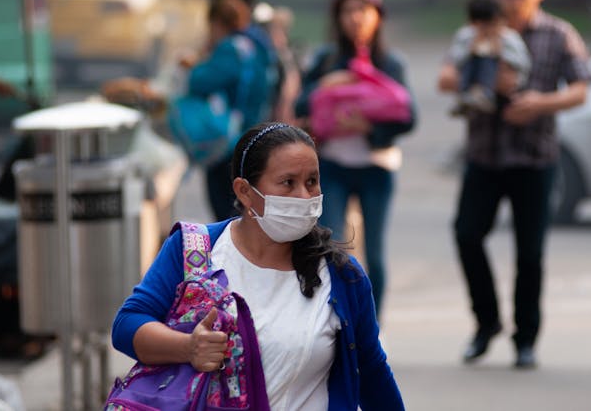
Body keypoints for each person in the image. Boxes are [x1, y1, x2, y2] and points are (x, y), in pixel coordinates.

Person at [111, 122, 405, 410]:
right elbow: (127, 325)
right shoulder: (194, 251)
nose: (304, 196)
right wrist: (188, 347)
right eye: (288, 183)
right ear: (244, 191)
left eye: (312, 181)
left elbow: (371, 371)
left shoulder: (342, 276)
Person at [438, 0, 589, 368]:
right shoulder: (475, 30)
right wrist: (479, 76)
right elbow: (446, 77)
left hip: (534, 159)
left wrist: (540, 102)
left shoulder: (559, 34)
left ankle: (526, 339)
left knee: (530, 254)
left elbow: (581, 89)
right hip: (484, 155)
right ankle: (486, 324)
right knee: (467, 235)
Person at [294, 0, 416, 318]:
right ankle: (337, 318)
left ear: (378, 16)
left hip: (377, 166)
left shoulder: (391, 63)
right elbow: (300, 103)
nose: (356, 18)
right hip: (333, 165)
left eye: (364, 10)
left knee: (374, 253)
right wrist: (326, 84)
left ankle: (372, 326)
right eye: (348, 11)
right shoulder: (325, 59)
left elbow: (409, 118)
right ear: (338, 18)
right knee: (331, 246)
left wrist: (368, 127)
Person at [179, 0, 263, 221]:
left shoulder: (230, 48)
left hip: (227, 141)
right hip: (247, 134)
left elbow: (200, 82)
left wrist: (197, 63)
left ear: (217, 23)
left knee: (225, 212)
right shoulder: (253, 46)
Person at [444, 0, 531, 116]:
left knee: (488, 61)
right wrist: (470, 50)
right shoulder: (466, 36)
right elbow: (454, 61)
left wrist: (500, 54)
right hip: (470, 75)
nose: (486, 30)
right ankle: (465, 97)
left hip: (499, 86)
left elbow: (522, 62)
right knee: (470, 62)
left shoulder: (508, 38)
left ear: (501, 21)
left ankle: (484, 94)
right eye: (480, 26)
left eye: (490, 25)